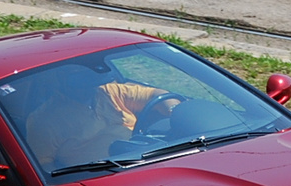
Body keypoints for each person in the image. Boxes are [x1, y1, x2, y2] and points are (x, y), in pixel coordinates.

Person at [20, 66, 181, 171]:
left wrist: (174, 112)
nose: (92, 88)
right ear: (62, 82)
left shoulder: (108, 92)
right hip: (104, 176)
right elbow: (44, 167)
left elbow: (157, 95)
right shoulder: (43, 120)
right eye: (83, 83)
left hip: (148, 159)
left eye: (93, 82)